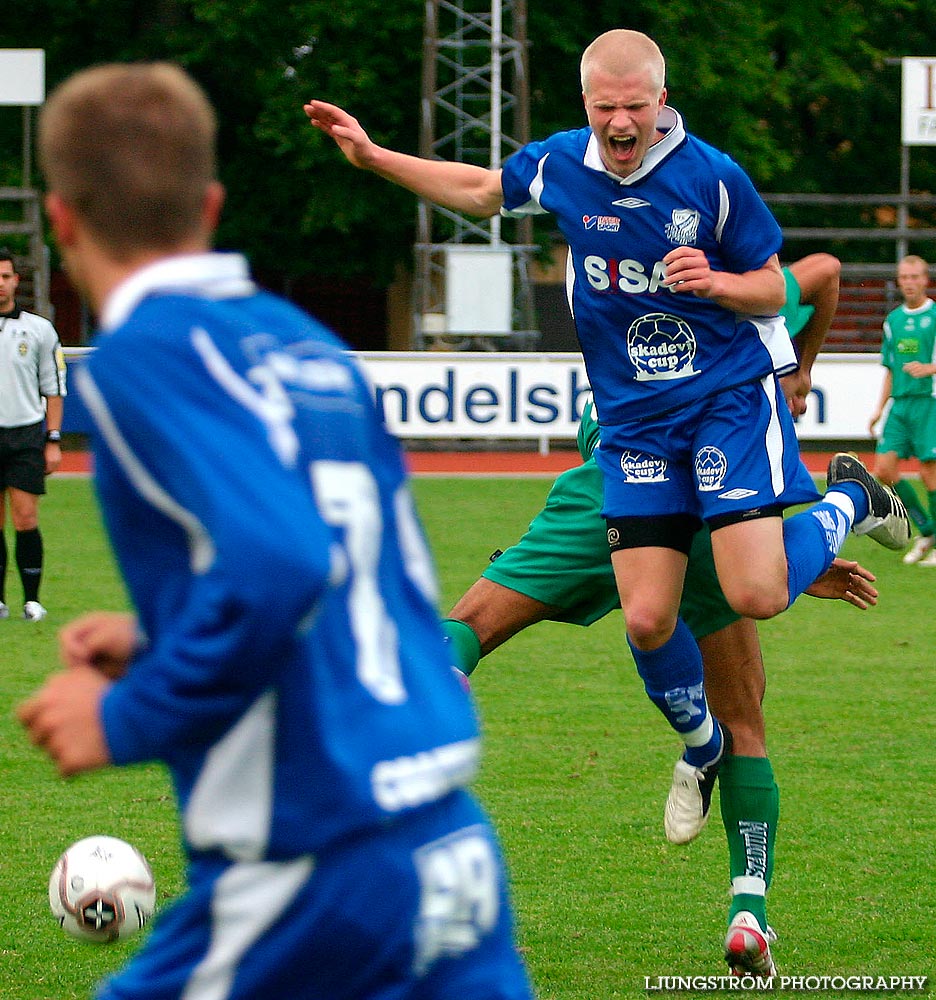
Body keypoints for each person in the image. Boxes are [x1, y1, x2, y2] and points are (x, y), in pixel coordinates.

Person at [305, 29, 909, 977]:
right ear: (586, 105)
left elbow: (782, 280)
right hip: (631, 435)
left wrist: (725, 285)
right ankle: (701, 746)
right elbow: (476, 189)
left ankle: (841, 503)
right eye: (604, 108)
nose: (622, 122)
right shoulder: (559, 166)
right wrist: (376, 156)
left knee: (751, 595)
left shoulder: (712, 178)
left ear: (662, 97)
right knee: (645, 616)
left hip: (718, 409)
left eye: (637, 105)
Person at [19, 63, 534, 1000]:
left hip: (314, 866)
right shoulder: (307, 347)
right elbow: (357, 572)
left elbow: (284, 559)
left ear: (61, 219)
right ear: (211, 205)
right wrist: (159, 639)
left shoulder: (146, 354)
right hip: (447, 842)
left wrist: (125, 717)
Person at [441, 256, 878, 980]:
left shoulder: (631, 268)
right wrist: (799, 374)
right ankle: (751, 911)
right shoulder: (745, 282)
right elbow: (828, 273)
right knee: (737, 711)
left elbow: (825, 273)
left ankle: (398, 849)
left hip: (628, 493)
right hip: (701, 509)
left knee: (467, 634)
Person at [0, 247, 67, 621]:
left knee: (25, 517)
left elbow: (53, 388)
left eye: (5, 276)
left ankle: (32, 600)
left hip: (24, 435)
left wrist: (53, 439)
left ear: (15, 281)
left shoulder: (39, 330)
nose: (0, 283)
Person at [868, 254, 936, 566]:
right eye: (904, 277)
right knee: (884, 469)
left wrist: (930, 368)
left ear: (925, 280)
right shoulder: (893, 321)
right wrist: (879, 409)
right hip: (900, 405)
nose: (909, 282)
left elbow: (927, 364)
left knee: (930, 473)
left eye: (914, 277)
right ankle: (927, 529)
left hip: (929, 402)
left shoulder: (934, 315)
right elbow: (891, 369)